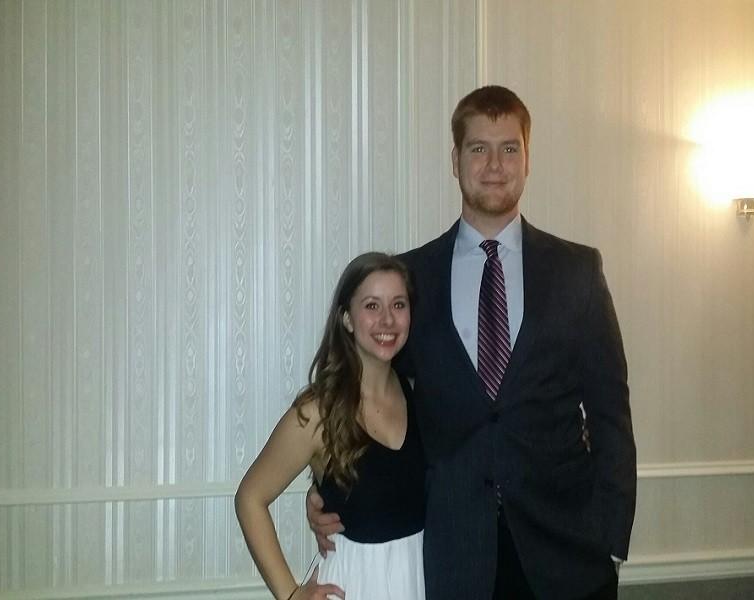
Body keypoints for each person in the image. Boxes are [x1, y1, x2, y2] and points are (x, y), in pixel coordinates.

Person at [308, 85, 636, 599]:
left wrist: (612, 537)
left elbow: (611, 413)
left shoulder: (577, 272)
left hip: (569, 555)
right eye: (478, 148)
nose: (494, 165)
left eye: (510, 148)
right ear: (455, 160)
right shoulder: (413, 279)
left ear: (528, 160)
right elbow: (373, 396)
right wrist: (327, 486)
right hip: (454, 556)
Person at [236, 252, 426, 600]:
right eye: (371, 306)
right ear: (347, 319)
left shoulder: (420, 395)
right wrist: (291, 594)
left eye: (398, 305)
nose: (387, 319)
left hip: (422, 580)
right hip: (355, 585)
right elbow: (250, 497)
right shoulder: (318, 411)